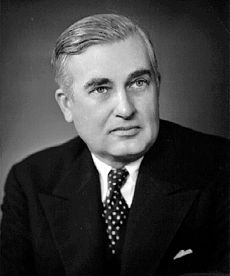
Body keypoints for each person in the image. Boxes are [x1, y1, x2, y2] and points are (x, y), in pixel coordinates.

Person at [0, 14, 229, 276]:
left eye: (139, 82)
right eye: (101, 89)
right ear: (67, 104)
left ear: (157, 85)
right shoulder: (30, 181)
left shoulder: (222, 168)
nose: (125, 108)